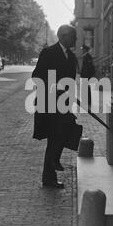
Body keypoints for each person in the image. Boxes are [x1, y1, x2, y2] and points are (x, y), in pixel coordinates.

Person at [32, 25, 82, 189]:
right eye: (73, 36)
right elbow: (37, 76)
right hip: (49, 103)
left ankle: (52, 167)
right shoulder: (49, 52)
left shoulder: (72, 57)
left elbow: (71, 80)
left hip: (63, 104)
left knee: (65, 132)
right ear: (63, 36)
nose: (75, 39)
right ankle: (50, 174)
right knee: (55, 137)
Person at [80, 45, 96, 111]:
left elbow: (89, 67)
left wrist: (88, 75)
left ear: (85, 50)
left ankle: (87, 101)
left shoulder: (88, 56)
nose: (82, 50)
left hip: (86, 75)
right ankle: (86, 100)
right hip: (85, 75)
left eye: (83, 49)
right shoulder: (85, 56)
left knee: (87, 88)